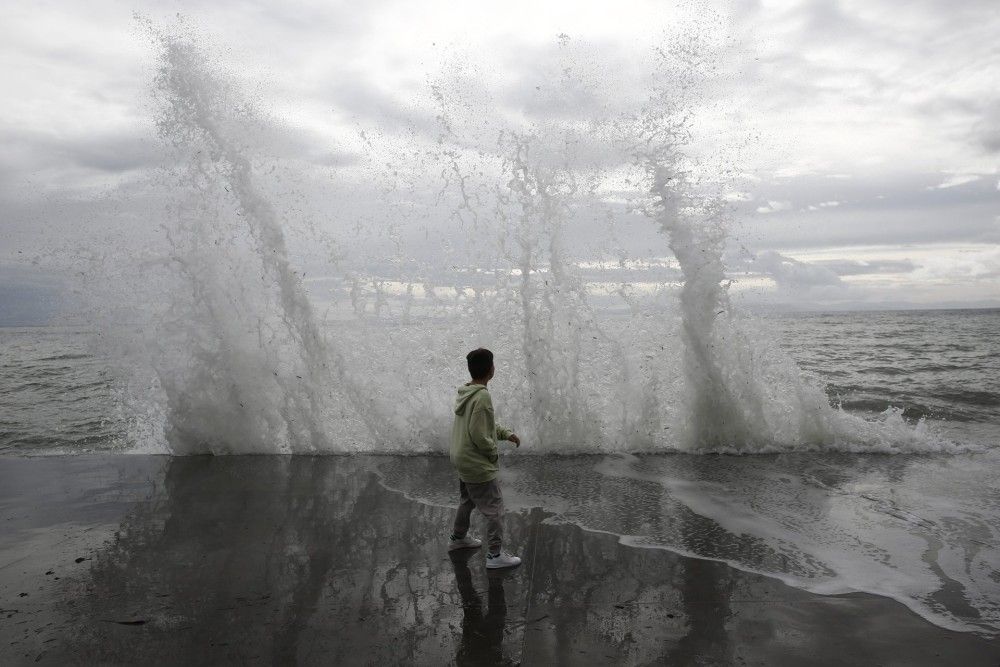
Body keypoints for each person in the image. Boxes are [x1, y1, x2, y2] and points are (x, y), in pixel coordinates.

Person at [448, 348, 522, 568]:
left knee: (467, 500)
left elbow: (484, 425)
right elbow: (480, 434)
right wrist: (492, 453)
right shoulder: (483, 396)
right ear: (491, 369)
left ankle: (458, 539)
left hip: (462, 457)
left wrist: (505, 433)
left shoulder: (467, 392)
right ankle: (495, 555)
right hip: (476, 461)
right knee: (495, 509)